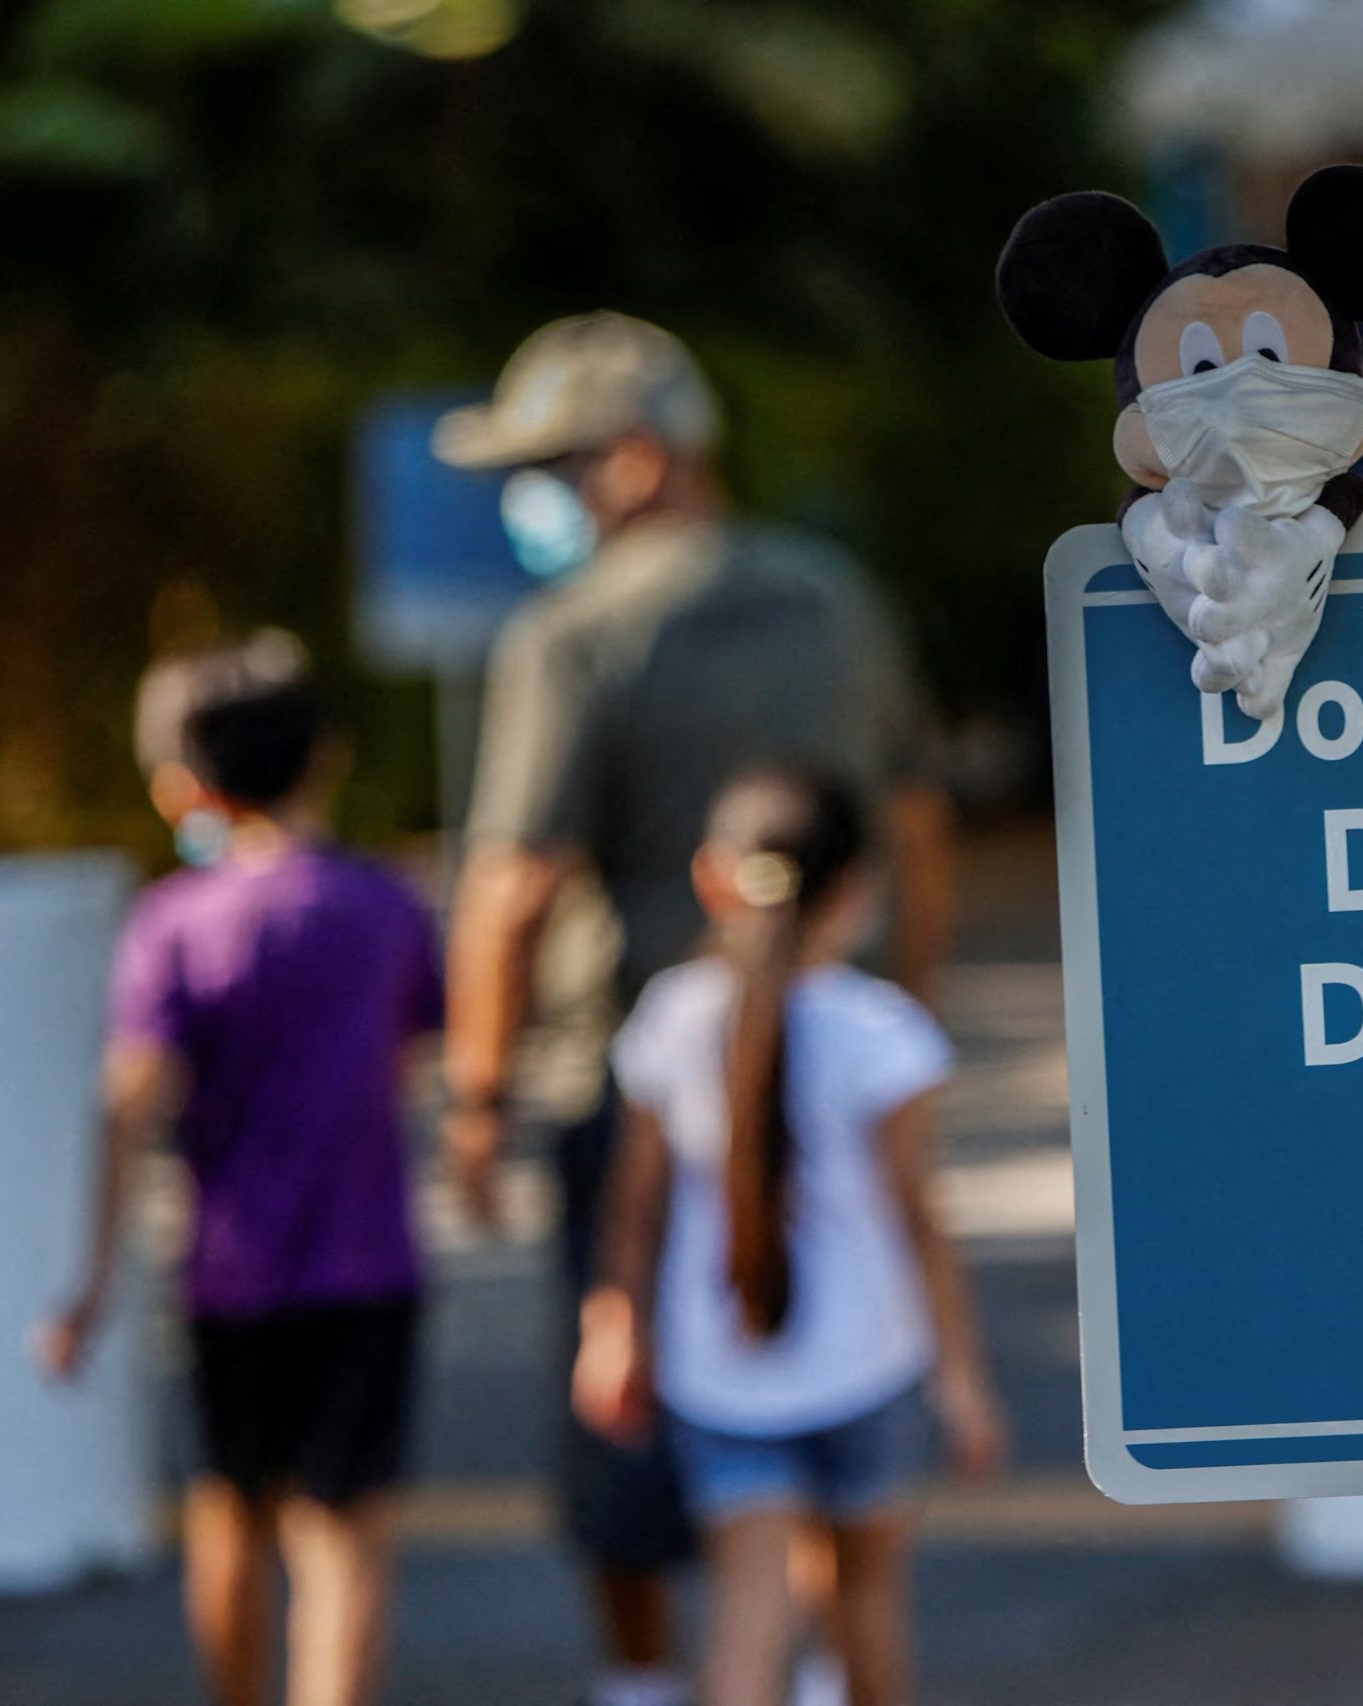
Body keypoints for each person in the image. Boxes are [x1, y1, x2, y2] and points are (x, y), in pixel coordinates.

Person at [431, 313, 957, 1706]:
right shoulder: (836, 598)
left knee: (632, 1405)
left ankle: (647, 1678)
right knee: (828, 1380)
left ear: (643, 458)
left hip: (636, 1084)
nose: (533, 497)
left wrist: (476, 1099)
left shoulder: (572, 633)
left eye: (553, 465)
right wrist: (896, 1016)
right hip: (829, 1063)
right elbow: (917, 823)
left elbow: (511, 883)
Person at [39, 634, 443, 1706]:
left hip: (230, 1272)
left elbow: (129, 1100)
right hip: (367, 1264)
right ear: (328, 758)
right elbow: (408, 1061)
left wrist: (90, 1279)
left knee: (229, 1509)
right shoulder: (387, 908)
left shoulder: (174, 922)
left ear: (184, 784)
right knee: (346, 1534)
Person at [573, 768, 1004, 1706]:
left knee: (746, 1611)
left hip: (721, 1370)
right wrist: (962, 1375)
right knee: (864, 1600)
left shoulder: (672, 1016)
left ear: (711, 880)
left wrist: (615, 1327)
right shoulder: (886, 1034)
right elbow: (917, 1218)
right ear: (856, 893)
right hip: (868, 1361)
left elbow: (632, 1207)